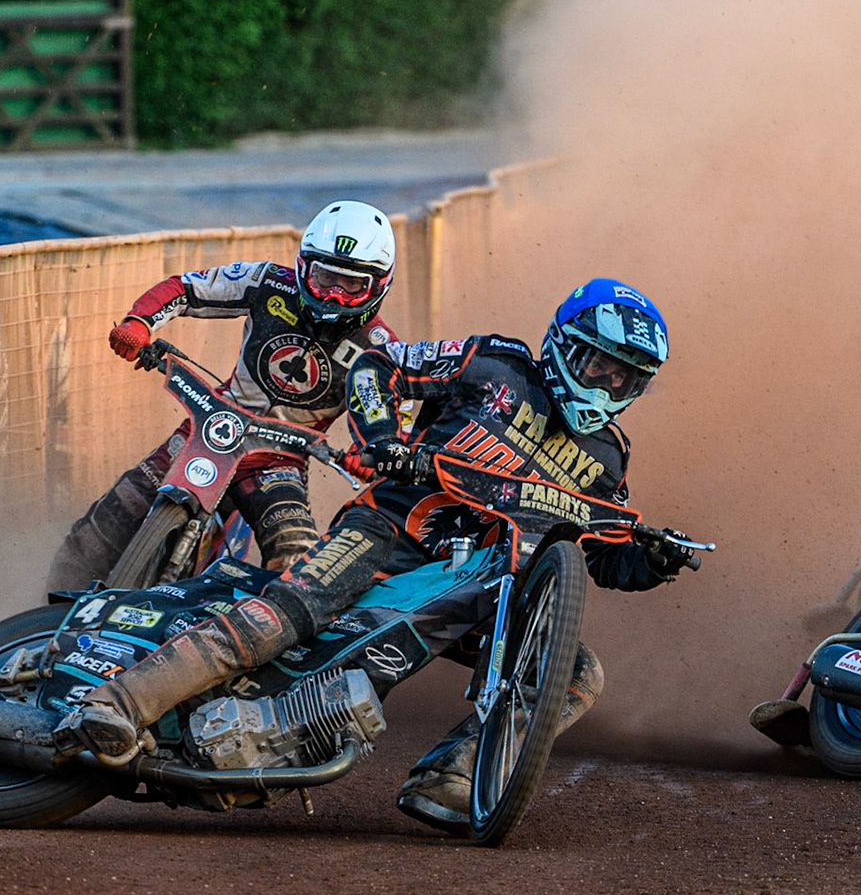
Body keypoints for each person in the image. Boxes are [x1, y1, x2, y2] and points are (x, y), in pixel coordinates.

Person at [52, 279, 697, 830]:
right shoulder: (495, 363)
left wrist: (652, 559)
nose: (608, 384)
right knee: (292, 611)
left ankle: (454, 775)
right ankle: (121, 702)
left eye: (626, 376)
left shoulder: (609, 456)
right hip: (391, 529)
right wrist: (383, 436)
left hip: (482, 586)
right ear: (563, 346)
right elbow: (376, 368)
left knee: (578, 670)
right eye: (598, 366)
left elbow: (604, 556)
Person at [47, 200, 398, 590]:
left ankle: (251, 640)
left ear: (378, 285)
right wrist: (139, 323)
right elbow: (186, 288)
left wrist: (378, 455)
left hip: (276, 462)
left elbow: (392, 424)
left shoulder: (380, 351)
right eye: (325, 277)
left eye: (352, 285)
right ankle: (35, 622)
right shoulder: (267, 281)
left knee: (299, 566)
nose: (333, 295)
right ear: (303, 268)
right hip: (210, 428)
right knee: (99, 529)